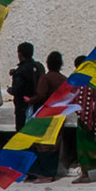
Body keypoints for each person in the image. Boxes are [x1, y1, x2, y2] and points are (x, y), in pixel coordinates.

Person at [28, 51, 68, 182]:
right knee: (55, 144)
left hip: (46, 114)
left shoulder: (45, 78)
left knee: (43, 144)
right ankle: (52, 173)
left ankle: (44, 174)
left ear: (48, 64)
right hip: (60, 114)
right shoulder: (63, 79)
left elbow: (41, 95)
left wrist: (30, 100)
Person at [9, 42, 43, 133]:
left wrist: (10, 90)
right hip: (37, 105)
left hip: (23, 106)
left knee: (22, 132)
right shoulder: (39, 66)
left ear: (20, 54)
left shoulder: (21, 70)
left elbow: (16, 90)